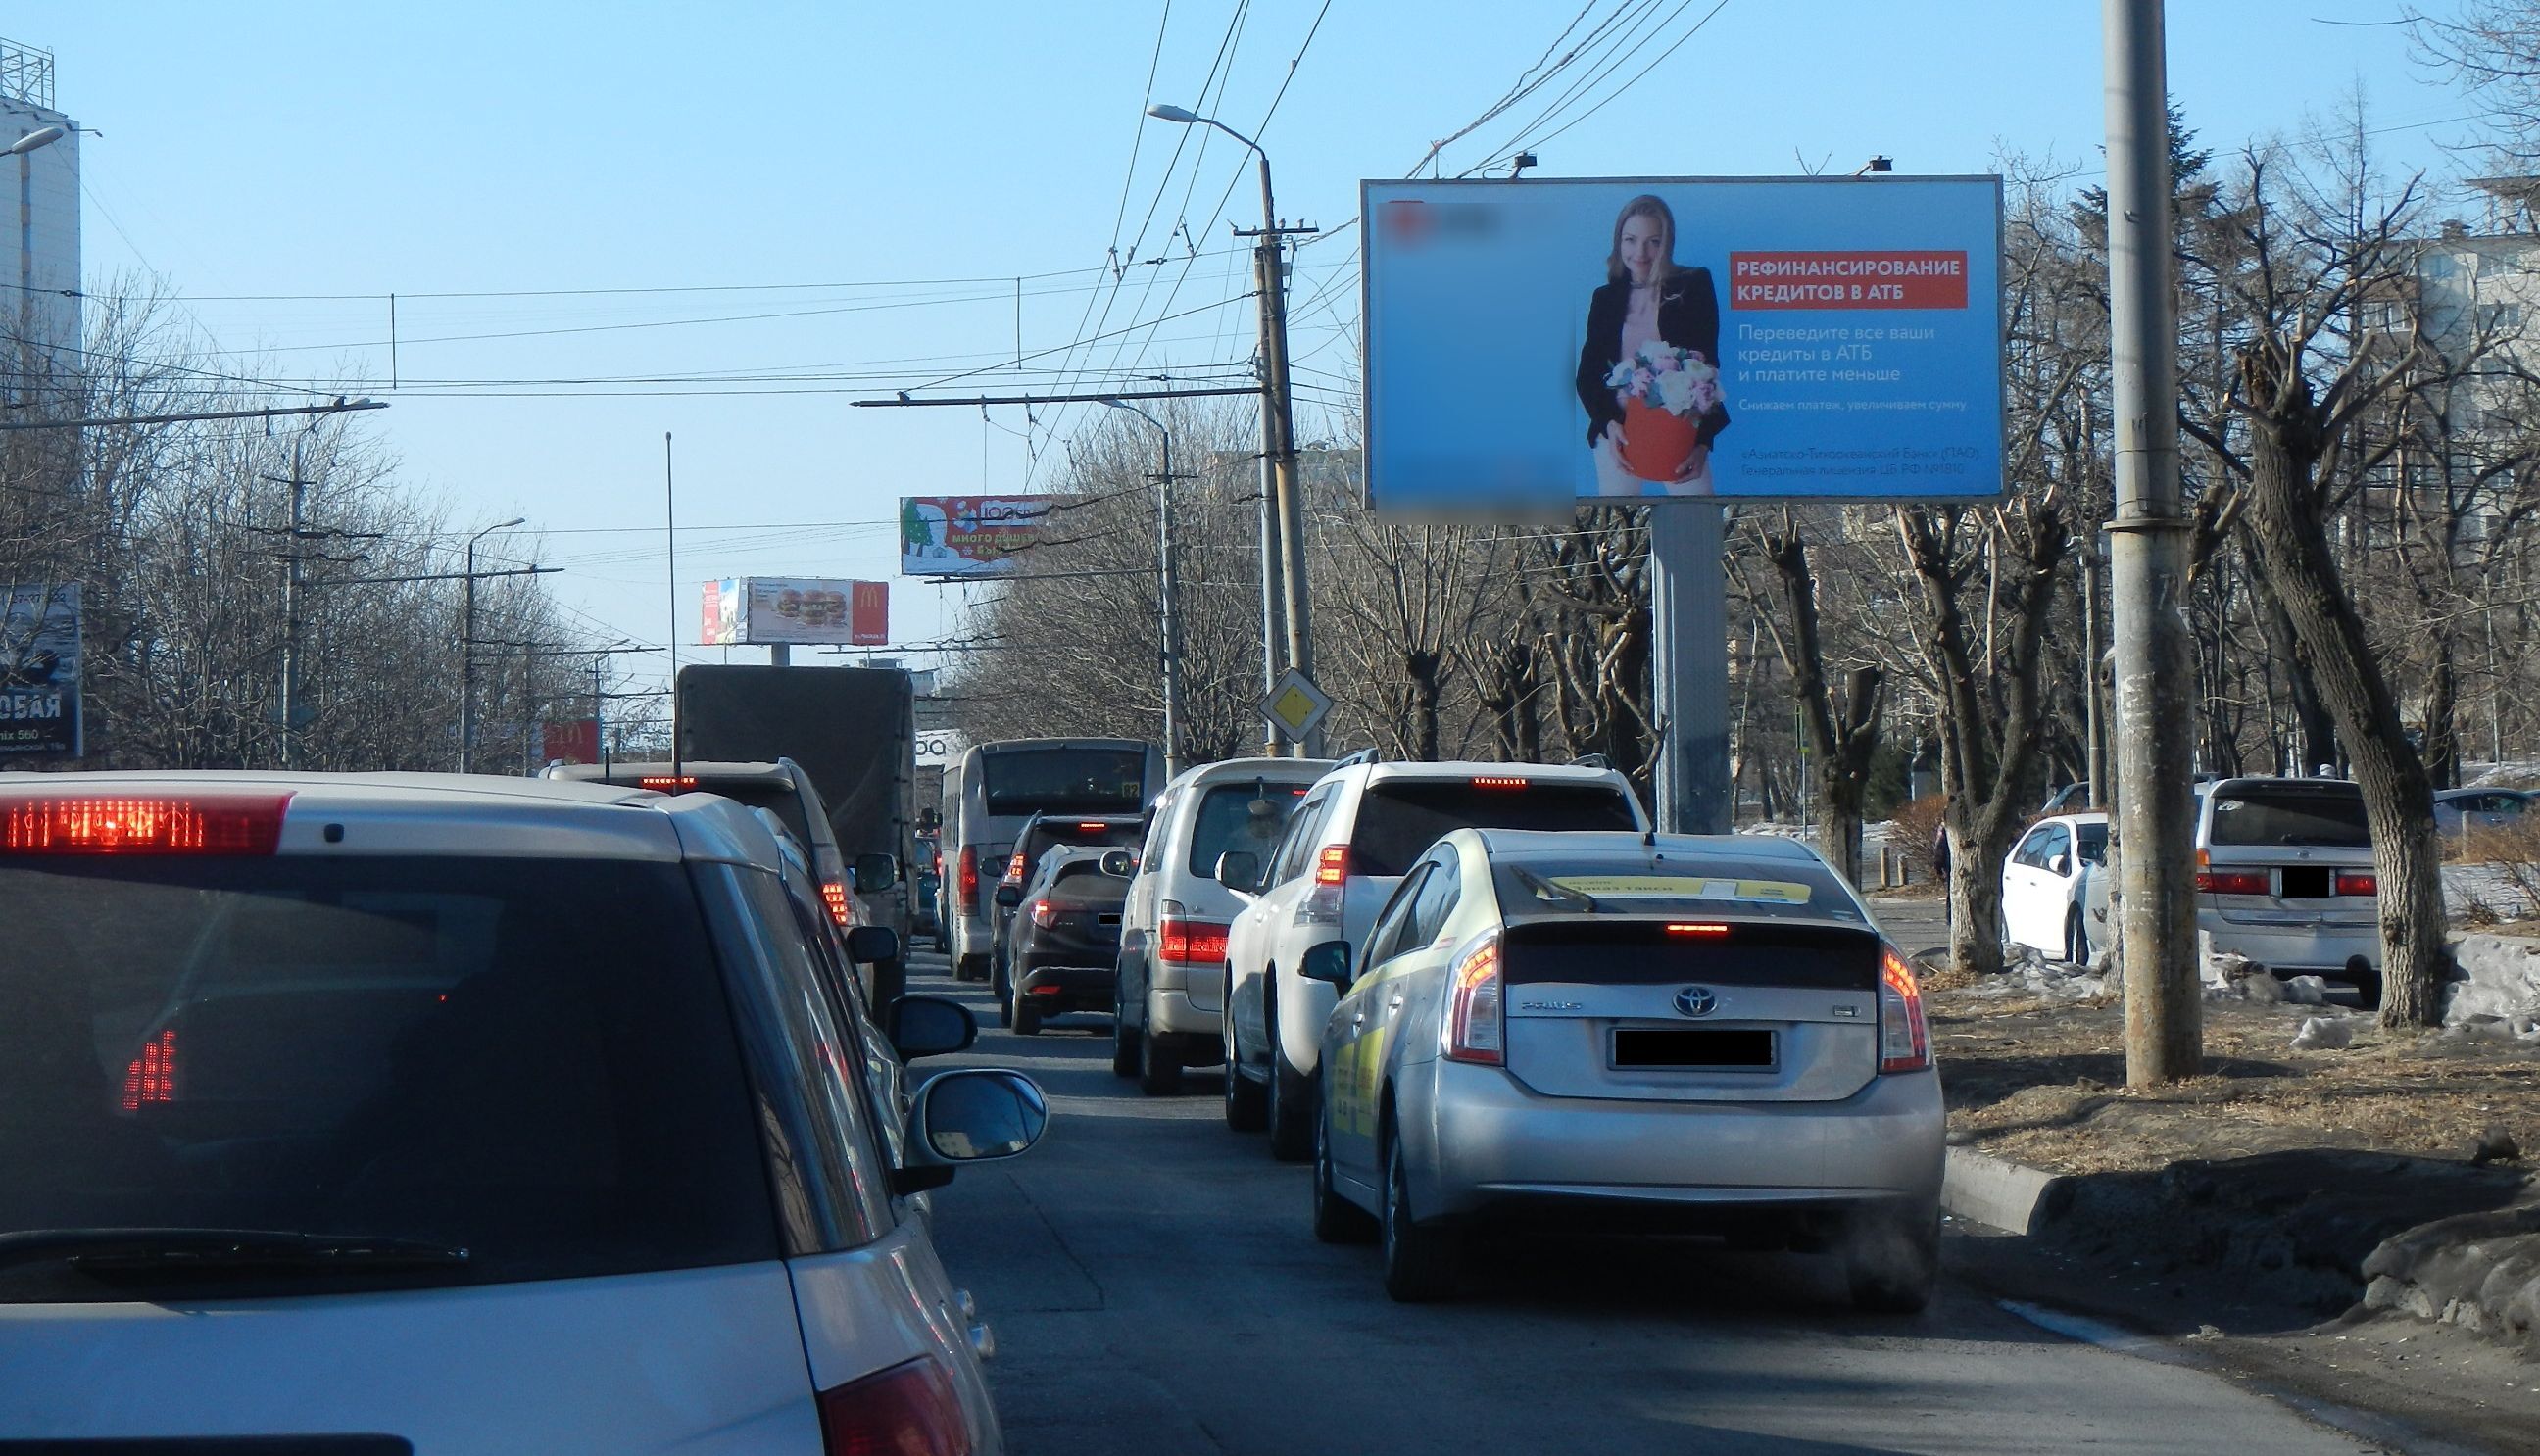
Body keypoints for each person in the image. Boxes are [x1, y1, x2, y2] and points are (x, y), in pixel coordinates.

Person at [1574, 194, 1731, 497]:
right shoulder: (1605, 299)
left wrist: (1701, 443)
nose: (1640, 252)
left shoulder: (1693, 284)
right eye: (1631, 240)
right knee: (1614, 522)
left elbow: (1707, 368)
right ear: (1619, 242)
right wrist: (1608, 424)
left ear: (1667, 243)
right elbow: (1587, 376)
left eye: (1653, 241)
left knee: (1696, 520)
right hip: (1618, 434)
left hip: (1680, 431)